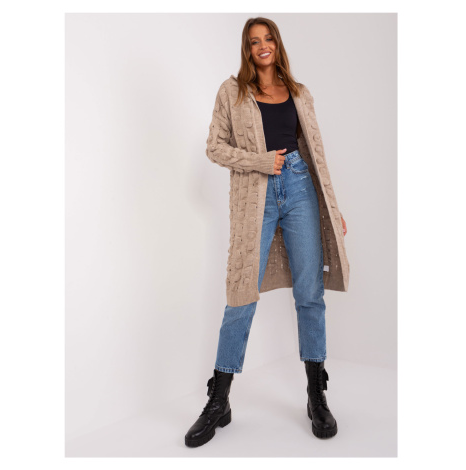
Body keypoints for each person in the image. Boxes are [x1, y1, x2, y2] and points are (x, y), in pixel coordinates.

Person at [185, 17, 349, 448]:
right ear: (247, 48)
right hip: (256, 195)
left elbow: (317, 154)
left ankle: (316, 395)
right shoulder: (232, 91)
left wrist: (332, 209)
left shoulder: (299, 92)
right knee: (241, 293)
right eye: (254, 41)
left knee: (310, 294)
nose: (262, 45)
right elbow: (214, 146)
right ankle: (219, 400)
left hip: (299, 186)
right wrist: (259, 161)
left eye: (268, 38)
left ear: (277, 44)